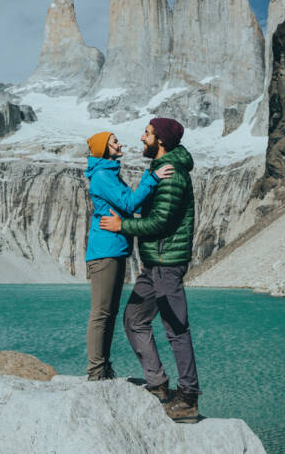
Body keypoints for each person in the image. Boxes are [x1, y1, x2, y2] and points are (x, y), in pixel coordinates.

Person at [99, 117, 200, 423]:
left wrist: (122, 226)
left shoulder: (172, 174)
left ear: (161, 140)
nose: (142, 138)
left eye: (147, 133)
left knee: (176, 329)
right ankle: (158, 384)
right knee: (134, 319)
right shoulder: (160, 170)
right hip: (155, 262)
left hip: (167, 263)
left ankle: (188, 398)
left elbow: (162, 221)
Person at [84, 130, 173, 381]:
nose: (120, 144)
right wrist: (152, 177)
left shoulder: (109, 173)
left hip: (114, 249)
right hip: (105, 252)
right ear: (104, 148)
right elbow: (130, 203)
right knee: (101, 313)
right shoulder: (103, 176)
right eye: (114, 141)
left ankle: (103, 366)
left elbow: (128, 204)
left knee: (109, 312)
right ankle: (95, 370)